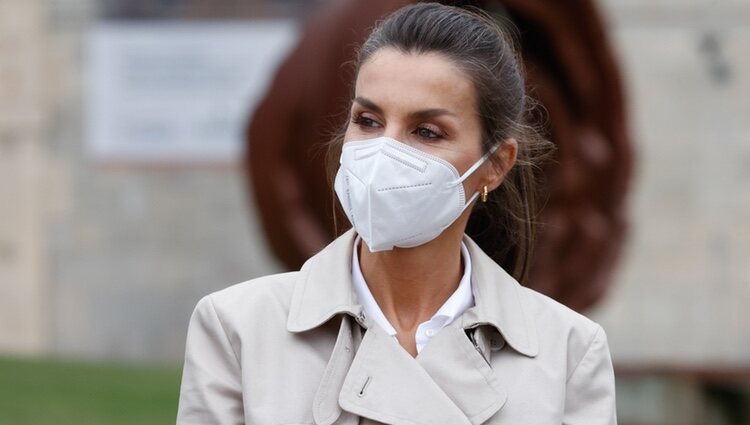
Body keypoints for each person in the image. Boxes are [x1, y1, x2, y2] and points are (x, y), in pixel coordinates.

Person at [176, 3, 617, 424]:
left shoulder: (568, 352)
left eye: (427, 131)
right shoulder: (238, 328)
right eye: (367, 120)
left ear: (495, 166)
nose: (385, 150)